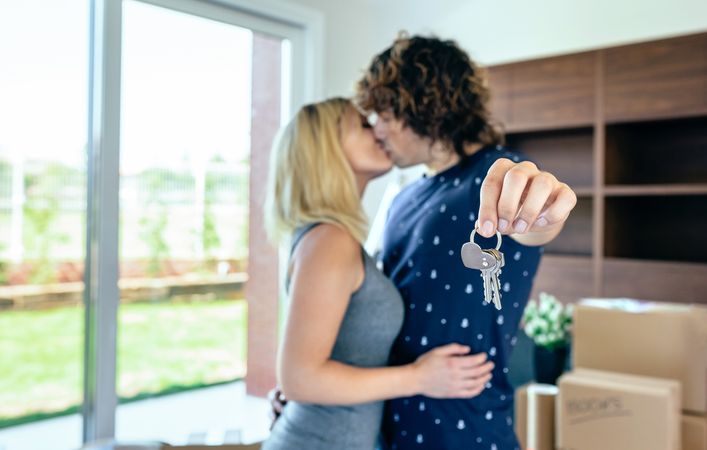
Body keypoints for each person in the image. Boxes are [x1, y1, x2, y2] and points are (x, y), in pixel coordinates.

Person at [352, 34, 577, 449]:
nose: (376, 128)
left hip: (468, 429)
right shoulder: (402, 197)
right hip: (387, 423)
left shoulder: (497, 175)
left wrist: (542, 209)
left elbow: (534, 222)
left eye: (383, 111)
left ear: (421, 103)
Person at [261, 97, 496, 450]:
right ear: (327, 149)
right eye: (364, 125)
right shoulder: (329, 239)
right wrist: (418, 378)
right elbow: (298, 378)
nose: (380, 131)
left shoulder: (332, 237)